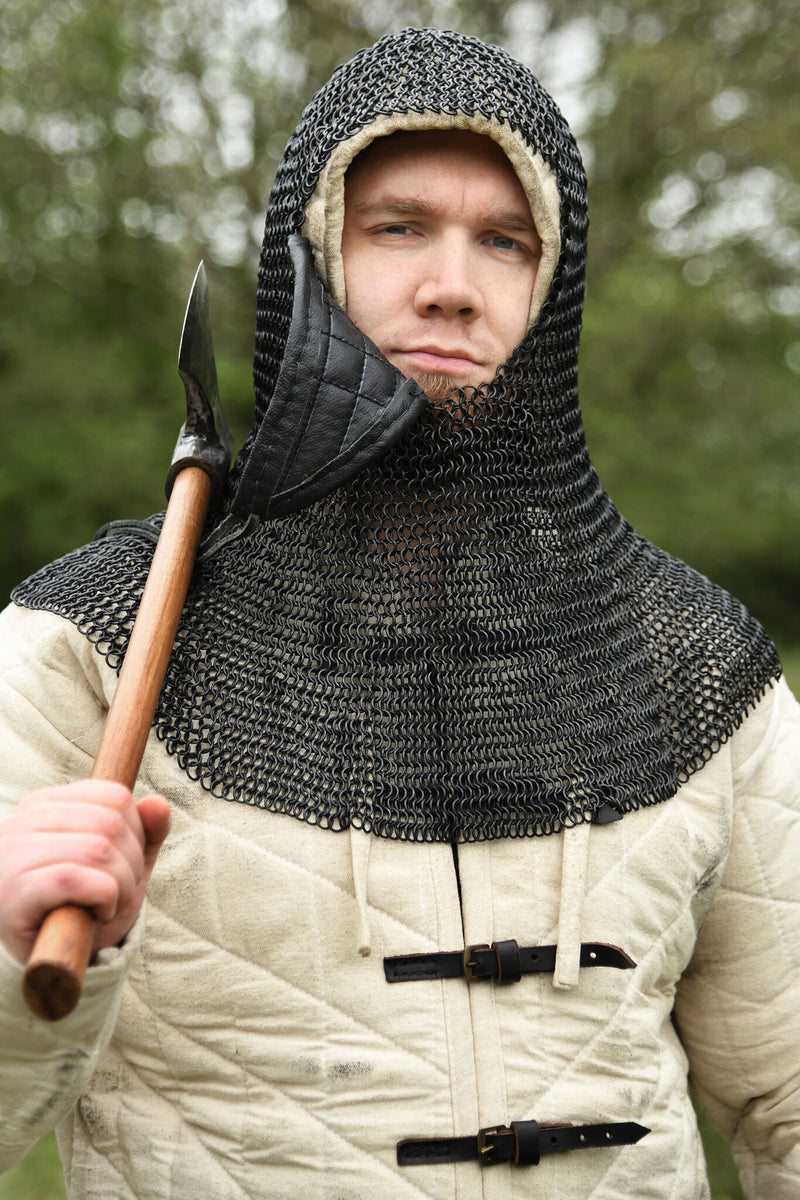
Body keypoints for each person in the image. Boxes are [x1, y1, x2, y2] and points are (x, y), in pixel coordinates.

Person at [1, 26, 799, 1200]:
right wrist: (16, 951)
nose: (450, 287)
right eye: (397, 228)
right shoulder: (94, 647)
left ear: (549, 285)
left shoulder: (683, 664)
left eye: (503, 242)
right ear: (308, 257)